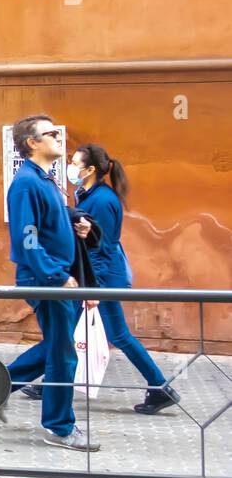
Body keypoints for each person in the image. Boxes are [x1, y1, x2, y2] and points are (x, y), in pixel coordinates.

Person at [0, 115, 99, 451]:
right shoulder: (26, 182)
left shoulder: (45, 180)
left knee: (58, 347)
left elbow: (55, 215)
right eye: (51, 133)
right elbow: (27, 237)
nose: (58, 137)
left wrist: (78, 220)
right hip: (47, 281)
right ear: (32, 143)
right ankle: (58, 427)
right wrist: (56, 276)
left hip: (57, 279)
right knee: (63, 355)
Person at [68, 144, 179, 415]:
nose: (71, 167)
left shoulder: (102, 201)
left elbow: (101, 248)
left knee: (116, 334)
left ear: (90, 169)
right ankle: (50, 383)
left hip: (100, 277)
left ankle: (160, 385)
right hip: (95, 276)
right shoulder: (89, 194)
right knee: (68, 327)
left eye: (75, 162)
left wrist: (92, 287)